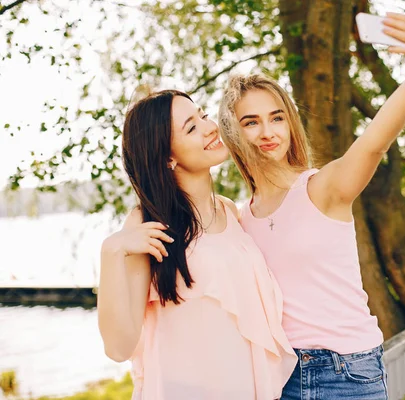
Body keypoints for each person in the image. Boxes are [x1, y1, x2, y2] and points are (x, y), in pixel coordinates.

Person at [218, 12, 405, 399]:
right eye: (251, 122)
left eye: (277, 117)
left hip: (346, 373)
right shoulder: (240, 219)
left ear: (290, 123)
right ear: (233, 131)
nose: (268, 132)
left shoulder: (322, 188)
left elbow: (375, 142)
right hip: (280, 377)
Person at [97, 90, 297, 400]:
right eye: (191, 127)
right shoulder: (147, 224)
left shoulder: (230, 211)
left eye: (202, 115)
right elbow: (118, 346)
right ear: (167, 157)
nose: (209, 127)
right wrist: (111, 251)